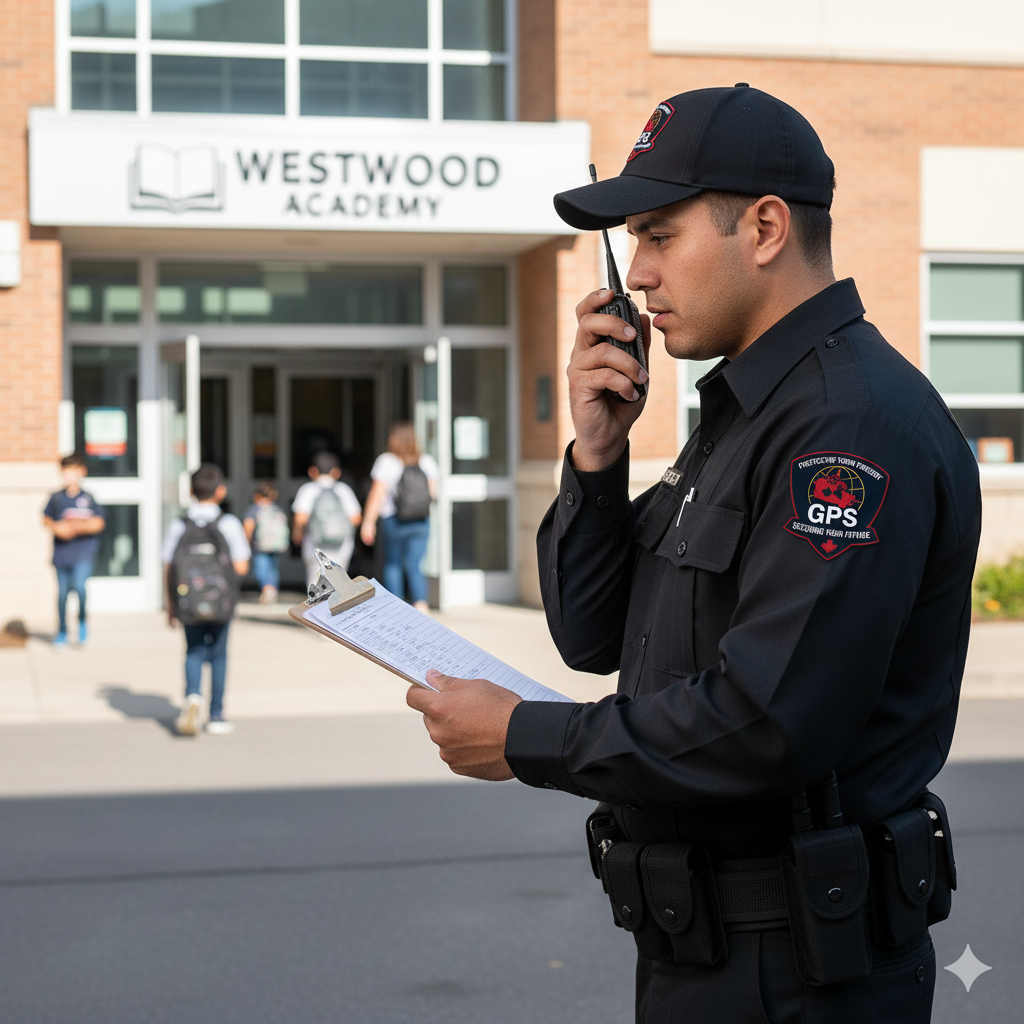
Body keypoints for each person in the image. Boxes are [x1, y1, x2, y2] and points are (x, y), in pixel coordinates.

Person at [406, 85, 981, 1023]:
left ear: (764, 228)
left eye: (659, 235)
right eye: (634, 241)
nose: (636, 274)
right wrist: (598, 456)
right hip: (713, 952)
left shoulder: (847, 425)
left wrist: (526, 737)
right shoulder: (745, 414)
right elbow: (595, 634)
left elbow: (769, 721)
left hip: (799, 973)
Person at [162, 463, 250, 736]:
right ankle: (216, 715)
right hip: (221, 603)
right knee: (219, 655)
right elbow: (241, 567)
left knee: (193, 651)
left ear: (191, 491)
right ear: (220, 491)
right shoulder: (228, 524)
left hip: (188, 603)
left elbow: (168, 567)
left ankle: (192, 695)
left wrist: (170, 606)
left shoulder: (179, 525)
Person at [360, 422, 438, 611]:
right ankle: (421, 606)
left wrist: (368, 522)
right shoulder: (427, 461)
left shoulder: (386, 461)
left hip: (394, 520)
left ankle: (396, 608)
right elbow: (433, 493)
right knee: (415, 565)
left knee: (393, 564)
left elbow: (377, 495)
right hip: (420, 521)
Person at [42, 453, 106, 648]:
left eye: (72, 472)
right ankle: (62, 630)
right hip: (62, 555)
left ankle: (82, 622)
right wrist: (57, 528)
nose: (68, 476)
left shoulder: (88, 498)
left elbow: (99, 522)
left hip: (83, 553)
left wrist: (78, 527)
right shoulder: (56, 498)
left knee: (79, 588)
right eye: (65, 472)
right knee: (62, 595)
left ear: (81, 472)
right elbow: (46, 519)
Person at [292, 451, 362, 586]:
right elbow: (356, 518)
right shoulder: (344, 490)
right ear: (336, 472)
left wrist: (297, 533)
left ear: (312, 471)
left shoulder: (308, 490)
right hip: (342, 546)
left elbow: (301, 518)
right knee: (339, 584)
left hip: (314, 545)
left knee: (316, 582)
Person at [242, 481, 290, 604]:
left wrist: (246, 542)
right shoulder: (277, 509)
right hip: (276, 544)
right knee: (273, 568)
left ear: (257, 495)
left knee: (261, 567)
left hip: (260, 546)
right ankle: (272, 589)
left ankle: (267, 589)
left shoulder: (255, 509)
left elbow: (248, 526)